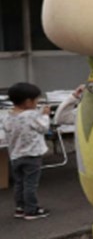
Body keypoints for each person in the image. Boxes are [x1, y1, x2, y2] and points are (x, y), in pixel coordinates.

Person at [3, 82, 51, 220]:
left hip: (15, 156)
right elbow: (43, 128)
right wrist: (45, 115)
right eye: (37, 100)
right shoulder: (30, 115)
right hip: (32, 155)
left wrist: (38, 114)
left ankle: (20, 208)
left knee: (19, 183)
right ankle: (32, 210)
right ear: (28, 101)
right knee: (30, 184)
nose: (37, 103)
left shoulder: (8, 116)